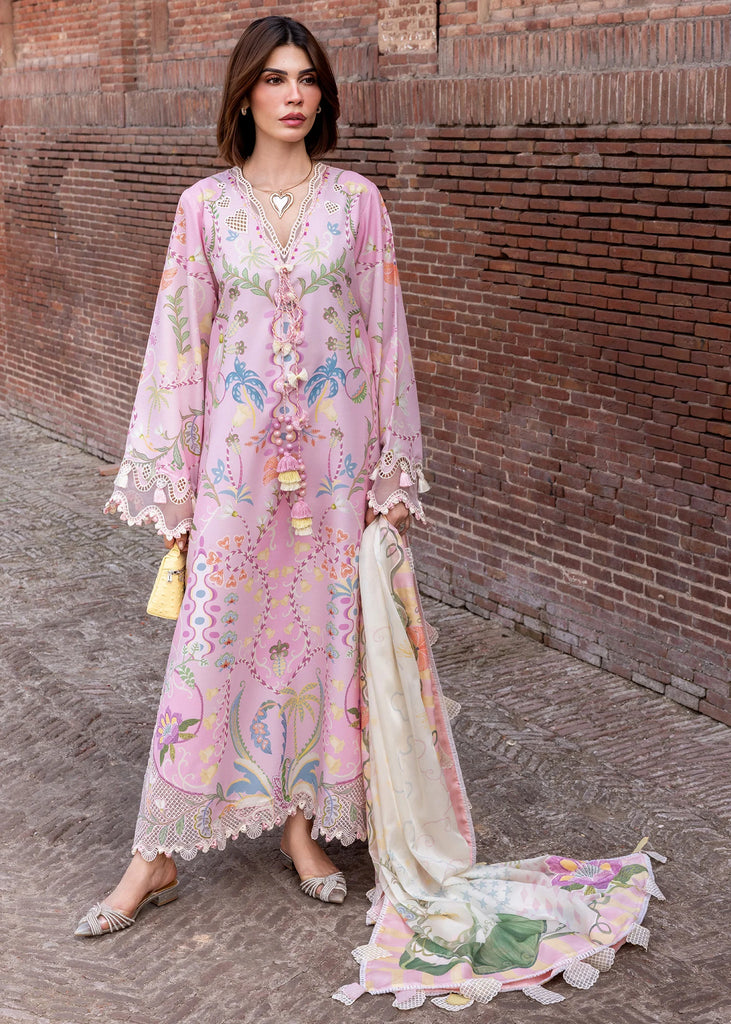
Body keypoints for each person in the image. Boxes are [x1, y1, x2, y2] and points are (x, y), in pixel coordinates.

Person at [75, 15, 427, 936]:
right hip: (235, 473)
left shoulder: (356, 202)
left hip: (336, 468)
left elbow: (385, 335)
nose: (293, 94)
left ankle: (301, 826)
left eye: (306, 78)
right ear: (244, 95)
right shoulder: (204, 208)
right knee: (213, 639)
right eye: (273, 79)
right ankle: (155, 855)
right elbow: (178, 345)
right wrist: (175, 480)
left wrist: (391, 473)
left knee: (324, 640)